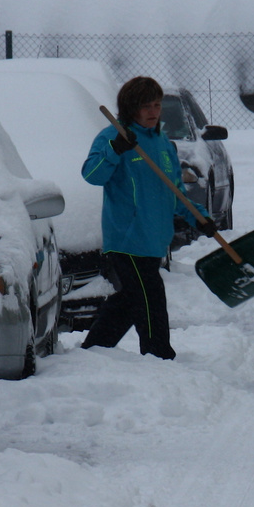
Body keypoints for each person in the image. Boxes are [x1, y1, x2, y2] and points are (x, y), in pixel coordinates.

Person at [81, 76, 217, 358]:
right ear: (131, 109)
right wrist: (115, 150)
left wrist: (198, 218)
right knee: (150, 298)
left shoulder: (164, 144)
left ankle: (93, 351)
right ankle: (160, 356)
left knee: (131, 299)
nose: (153, 112)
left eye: (156, 105)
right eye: (145, 106)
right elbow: (92, 175)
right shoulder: (112, 137)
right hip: (127, 238)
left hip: (155, 239)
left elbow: (175, 192)